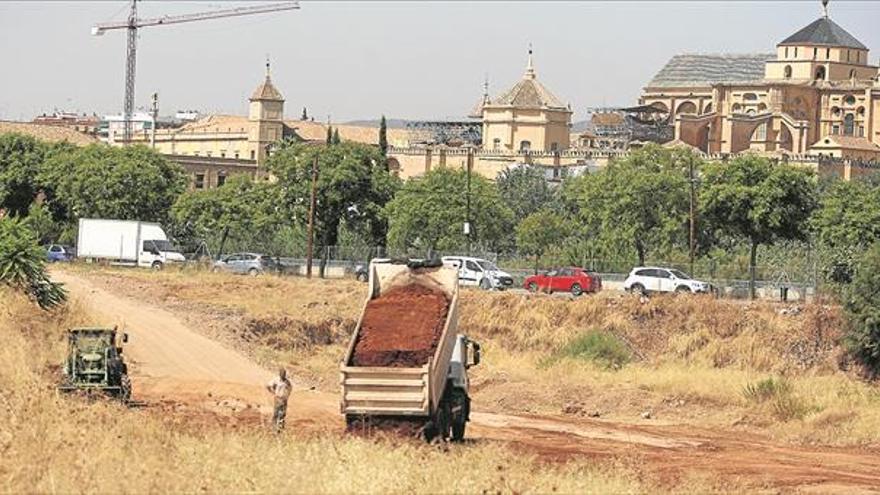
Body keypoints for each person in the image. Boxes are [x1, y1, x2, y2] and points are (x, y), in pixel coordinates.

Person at [266, 368, 292, 432]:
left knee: (283, 414)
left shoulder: (287, 382)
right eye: (282, 374)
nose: (283, 375)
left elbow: (290, 388)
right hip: (277, 398)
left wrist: (287, 395)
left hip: (284, 399)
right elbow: (268, 386)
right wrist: (273, 392)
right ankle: (274, 427)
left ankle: (280, 428)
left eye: (284, 374)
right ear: (280, 374)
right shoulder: (276, 380)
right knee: (276, 413)